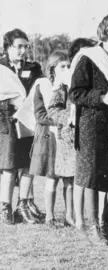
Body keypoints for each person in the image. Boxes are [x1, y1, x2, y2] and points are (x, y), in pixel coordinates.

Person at [69, 14, 108, 245]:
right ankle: (93, 228)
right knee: (92, 176)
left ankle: (106, 225)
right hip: (92, 125)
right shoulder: (88, 57)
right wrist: (102, 97)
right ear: (103, 34)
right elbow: (74, 93)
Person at [26, 51, 75, 228]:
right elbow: (40, 115)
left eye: (69, 66)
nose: (67, 69)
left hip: (67, 138)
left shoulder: (70, 87)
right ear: (53, 68)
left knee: (70, 178)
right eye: (63, 66)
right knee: (52, 178)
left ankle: (70, 215)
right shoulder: (43, 85)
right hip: (50, 137)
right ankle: (50, 216)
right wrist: (63, 119)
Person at [0, 28, 44, 225]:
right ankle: (5, 207)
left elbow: (41, 90)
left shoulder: (34, 68)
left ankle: (22, 206)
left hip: (30, 118)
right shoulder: (1, 67)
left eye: (26, 47)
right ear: (8, 47)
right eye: (19, 47)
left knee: (28, 164)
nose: (23, 51)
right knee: (9, 166)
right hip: (7, 120)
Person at [66, 37, 97, 233]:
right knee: (81, 177)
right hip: (76, 128)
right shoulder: (68, 77)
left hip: (88, 126)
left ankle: (94, 219)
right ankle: (79, 220)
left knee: (90, 177)